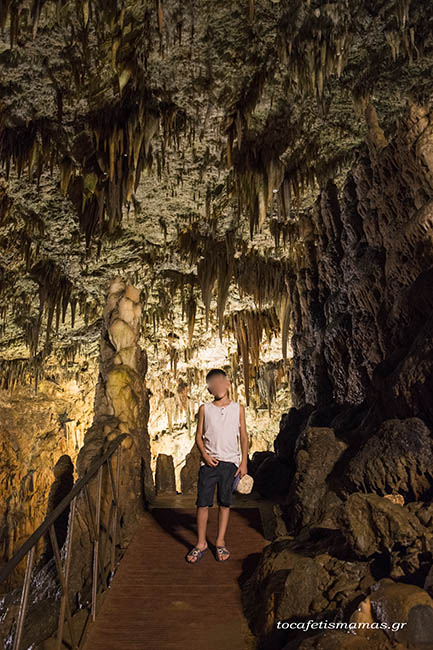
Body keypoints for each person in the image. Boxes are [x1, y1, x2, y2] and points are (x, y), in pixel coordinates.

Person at [186, 368, 248, 563]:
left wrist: (244, 462)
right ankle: (201, 543)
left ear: (228, 384)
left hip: (230, 463)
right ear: (210, 389)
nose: (218, 387)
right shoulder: (205, 408)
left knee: (224, 503)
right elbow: (198, 436)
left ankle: (220, 542)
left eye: (221, 382)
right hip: (209, 463)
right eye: (213, 385)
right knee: (203, 504)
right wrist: (204, 455)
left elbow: (244, 436)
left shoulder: (238, 408)